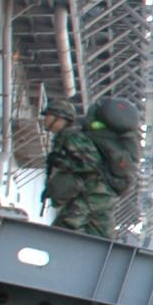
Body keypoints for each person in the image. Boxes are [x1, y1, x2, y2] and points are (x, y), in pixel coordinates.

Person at [40, 96, 122, 237]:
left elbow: (93, 164)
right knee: (102, 237)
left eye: (48, 116)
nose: (45, 119)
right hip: (98, 195)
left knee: (62, 229)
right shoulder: (65, 137)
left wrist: (63, 163)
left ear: (60, 118)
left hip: (93, 194)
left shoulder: (72, 137)